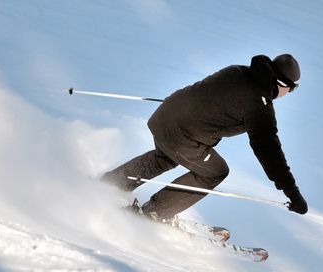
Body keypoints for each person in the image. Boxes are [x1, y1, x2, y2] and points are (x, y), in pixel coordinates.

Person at [100, 54, 308, 222]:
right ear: (283, 84)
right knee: (215, 172)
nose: (288, 93)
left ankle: (111, 183)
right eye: (292, 89)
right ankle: (155, 212)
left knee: (166, 156)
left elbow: (209, 95)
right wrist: (292, 193)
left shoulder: (237, 70)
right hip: (181, 134)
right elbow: (269, 152)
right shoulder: (260, 106)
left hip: (164, 116)